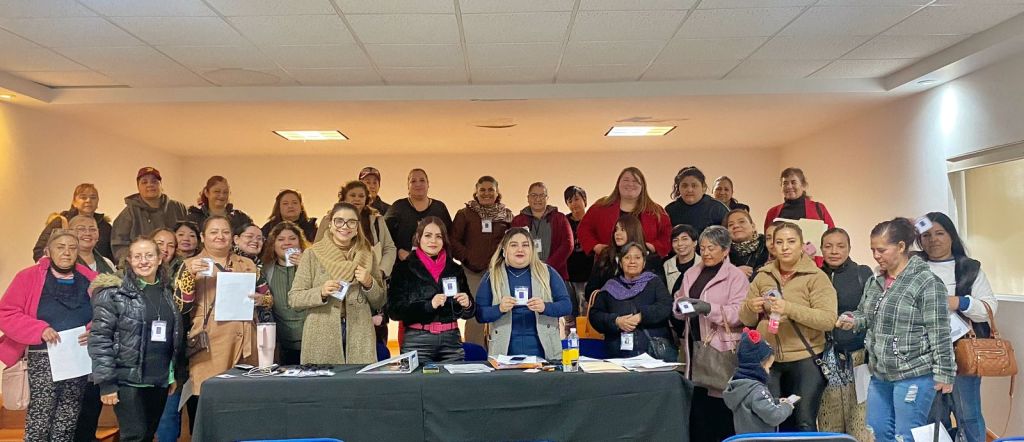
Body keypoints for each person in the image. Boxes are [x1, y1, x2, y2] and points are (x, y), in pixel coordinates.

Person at [836, 218, 954, 442]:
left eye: (881, 250)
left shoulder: (926, 282)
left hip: (915, 373)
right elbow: (865, 314)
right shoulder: (876, 281)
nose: (876, 255)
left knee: (906, 434)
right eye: (872, 250)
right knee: (878, 429)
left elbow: (940, 332)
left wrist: (944, 373)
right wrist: (852, 319)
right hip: (880, 373)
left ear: (901, 247)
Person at [174, 216, 272, 427]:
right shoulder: (190, 265)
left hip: (247, 342)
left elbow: (269, 299)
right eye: (214, 232)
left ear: (233, 237)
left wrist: (260, 300)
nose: (220, 236)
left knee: (244, 404)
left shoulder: (247, 264)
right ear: (202, 237)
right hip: (209, 345)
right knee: (208, 403)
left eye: (225, 232)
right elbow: (182, 307)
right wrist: (190, 276)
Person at [0, 230, 97, 442]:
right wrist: (39, 329)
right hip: (42, 356)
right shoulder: (28, 276)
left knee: (68, 416)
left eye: (72, 248)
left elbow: (106, 313)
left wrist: (93, 330)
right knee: (41, 416)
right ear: (48, 251)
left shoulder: (91, 279)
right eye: (60, 247)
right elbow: (6, 312)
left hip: (78, 357)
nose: (66, 253)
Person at [740, 222, 838, 432]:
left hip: (805, 360)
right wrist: (750, 307)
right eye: (779, 242)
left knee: (804, 422)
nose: (785, 247)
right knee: (771, 423)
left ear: (802, 245)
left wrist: (789, 308)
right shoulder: (763, 276)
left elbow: (828, 320)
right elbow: (746, 320)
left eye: (791, 242)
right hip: (768, 361)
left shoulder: (816, 277)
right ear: (772, 247)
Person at [89, 236, 184, 442]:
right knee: (135, 436)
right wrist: (106, 383)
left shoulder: (167, 291)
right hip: (127, 380)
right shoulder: (113, 293)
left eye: (149, 255)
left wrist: (172, 374)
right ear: (129, 260)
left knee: (148, 435)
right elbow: (100, 338)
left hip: (158, 379)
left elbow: (172, 337)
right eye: (137, 256)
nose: (143, 261)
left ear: (160, 259)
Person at [919, 212, 996, 442]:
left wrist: (959, 302)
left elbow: (989, 308)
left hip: (963, 355)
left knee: (968, 415)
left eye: (940, 233)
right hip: (924, 356)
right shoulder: (912, 268)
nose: (933, 239)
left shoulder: (969, 269)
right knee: (932, 417)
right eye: (926, 235)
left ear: (951, 235)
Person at [672, 225, 749, 442]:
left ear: (726, 250)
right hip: (693, 348)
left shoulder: (736, 277)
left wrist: (708, 308)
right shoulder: (691, 273)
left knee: (720, 411)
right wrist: (680, 306)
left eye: (712, 248)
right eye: (703, 248)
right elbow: (679, 300)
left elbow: (740, 314)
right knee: (698, 412)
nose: (705, 253)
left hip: (721, 351)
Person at [289, 203, 385, 365]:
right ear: (331, 224)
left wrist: (370, 284)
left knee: (358, 385)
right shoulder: (313, 254)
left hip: (360, 332)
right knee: (323, 387)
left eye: (351, 222)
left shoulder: (368, 254)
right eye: (339, 221)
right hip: (321, 333)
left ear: (357, 227)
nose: (345, 227)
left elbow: (380, 301)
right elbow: (294, 298)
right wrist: (321, 292)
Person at [387, 217, 475, 362]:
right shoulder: (403, 269)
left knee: (454, 385)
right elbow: (394, 311)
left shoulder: (455, 269)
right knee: (417, 385)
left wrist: (468, 304)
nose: (433, 241)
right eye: (428, 235)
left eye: (438, 236)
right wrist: (428, 305)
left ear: (444, 240)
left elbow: (468, 312)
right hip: (417, 341)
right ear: (418, 238)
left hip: (451, 341)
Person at [476, 227, 571, 360]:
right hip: (504, 353)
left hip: (544, 351)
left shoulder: (547, 272)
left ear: (532, 250)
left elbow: (567, 306)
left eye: (525, 245)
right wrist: (499, 309)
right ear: (504, 250)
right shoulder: (491, 276)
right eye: (514, 245)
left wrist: (545, 307)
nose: (520, 249)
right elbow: (479, 315)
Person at [817, 228, 872, 441]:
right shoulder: (814, 275)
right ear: (821, 248)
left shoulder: (862, 273)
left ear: (849, 248)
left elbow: (869, 311)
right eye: (828, 246)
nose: (834, 251)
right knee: (829, 418)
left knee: (860, 416)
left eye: (840, 246)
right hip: (824, 358)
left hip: (859, 356)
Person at [449, 176, 513, 348]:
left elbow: (510, 242)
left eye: (490, 189)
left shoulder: (506, 215)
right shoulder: (465, 214)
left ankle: (497, 352)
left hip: (498, 272)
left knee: (498, 311)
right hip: (472, 273)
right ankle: (474, 355)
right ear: (476, 192)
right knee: (475, 313)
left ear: (497, 192)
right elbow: (453, 241)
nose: (486, 193)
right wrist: (469, 258)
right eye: (482, 190)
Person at [589, 242, 673, 359]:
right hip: (619, 354)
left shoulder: (654, 282)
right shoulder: (610, 287)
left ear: (644, 262)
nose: (632, 261)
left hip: (654, 354)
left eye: (637, 258)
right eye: (627, 257)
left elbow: (666, 306)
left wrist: (641, 316)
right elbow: (595, 315)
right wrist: (616, 321)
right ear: (621, 263)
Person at [577, 167, 672, 258]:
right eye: (626, 180)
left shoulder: (656, 210)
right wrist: (596, 246)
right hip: (608, 265)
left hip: (647, 265)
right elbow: (584, 229)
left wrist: (653, 246)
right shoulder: (600, 206)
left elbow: (667, 234)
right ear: (618, 184)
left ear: (642, 186)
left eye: (635, 181)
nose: (630, 184)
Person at [724, 328, 794, 434]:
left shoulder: (739, 386)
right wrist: (787, 406)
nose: (769, 372)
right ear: (758, 366)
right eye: (768, 367)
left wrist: (775, 402)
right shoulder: (756, 389)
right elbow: (774, 416)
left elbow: (753, 406)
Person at [111, 167, 188, 262]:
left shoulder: (178, 208)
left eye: (154, 181)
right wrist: (134, 264)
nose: (150, 185)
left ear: (161, 185)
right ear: (138, 187)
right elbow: (119, 246)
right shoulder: (128, 213)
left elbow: (188, 237)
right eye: (144, 182)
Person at [261, 221, 310, 365]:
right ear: (273, 245)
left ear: (300, 243)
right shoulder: (266, 271)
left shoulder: (313, 266)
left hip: (311, 341)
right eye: (281, 239)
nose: (287, 243)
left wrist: (306, 266)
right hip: (281, 344)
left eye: (292, 239)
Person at [585, 214, 666, 296]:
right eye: (616, 229)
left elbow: (660, 292)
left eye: (622, 229)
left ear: (634, 231)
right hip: (610, 306)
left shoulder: (652, 259)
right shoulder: (606, 256)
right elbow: (590, 290)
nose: (617, 233)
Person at [384, 168, 452, 263]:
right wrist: (398, 250)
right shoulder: (398, 207)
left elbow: (449, 237)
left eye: (422, 180)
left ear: (428, 184)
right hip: (404, 266)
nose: (418, 184)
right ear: (408, 186)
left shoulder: (439, 208)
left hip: (435, 266)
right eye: (413, 181)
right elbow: (384, 235)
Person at [33, 183, 113, 262]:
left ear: (98, 202)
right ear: (74, 202)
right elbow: (39, 251)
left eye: (93, 197)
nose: (88, 200)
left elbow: (111, 255)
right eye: (83, 197)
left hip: (98, 273)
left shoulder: (105, 227)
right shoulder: (60, 222)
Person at [512, 182, 573, 282]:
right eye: (534, 195)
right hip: (526, 275)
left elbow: (568, 245)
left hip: (555, 274)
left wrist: (548, 267)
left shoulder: (560, 218)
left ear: (547, 198)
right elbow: (513, 246)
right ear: (528, 198)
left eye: (542, 195)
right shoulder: (518, 221)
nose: (538, 199)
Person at [666, 166, 730, 239]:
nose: (689, 189)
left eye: (694, 186)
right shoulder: (670, 210)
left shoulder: (718, 209)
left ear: (703, 187)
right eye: (684, 186)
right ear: (678, 189)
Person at [763, 167, 835, 231]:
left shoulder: (819, 208)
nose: (789, 186)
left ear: (803, 185)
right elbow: (768, 240)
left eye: (793, 182)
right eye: (785, 183)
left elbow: (832, 235)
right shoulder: (772, 213)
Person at [564, 185, 593, 317]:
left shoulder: (592, 220)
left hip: (587, 273)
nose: (573, 204)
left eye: (576, 199)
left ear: (584, 200)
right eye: (569, 201)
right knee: (569, 313)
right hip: (568, 274)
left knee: (585, 313)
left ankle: (584, 338)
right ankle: (570, 337)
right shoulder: (564, 221)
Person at [186, 176, 252, 231]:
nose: (222, 196)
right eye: (217, 191)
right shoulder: (193, 220)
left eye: (225, 192)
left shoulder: (241, 218)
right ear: (206, 193)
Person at [726, 209, 770, 281]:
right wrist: (734, 273)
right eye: (731, 224)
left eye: (741, 222)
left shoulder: (768, 245)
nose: (736, 226)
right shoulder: (723, 252)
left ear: (753, 226)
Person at [664, 224, 698, 296]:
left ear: (695, 242)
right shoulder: (666, 265)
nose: (680, 244)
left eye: (684, 239)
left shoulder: (704, 264)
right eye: (675, 240)